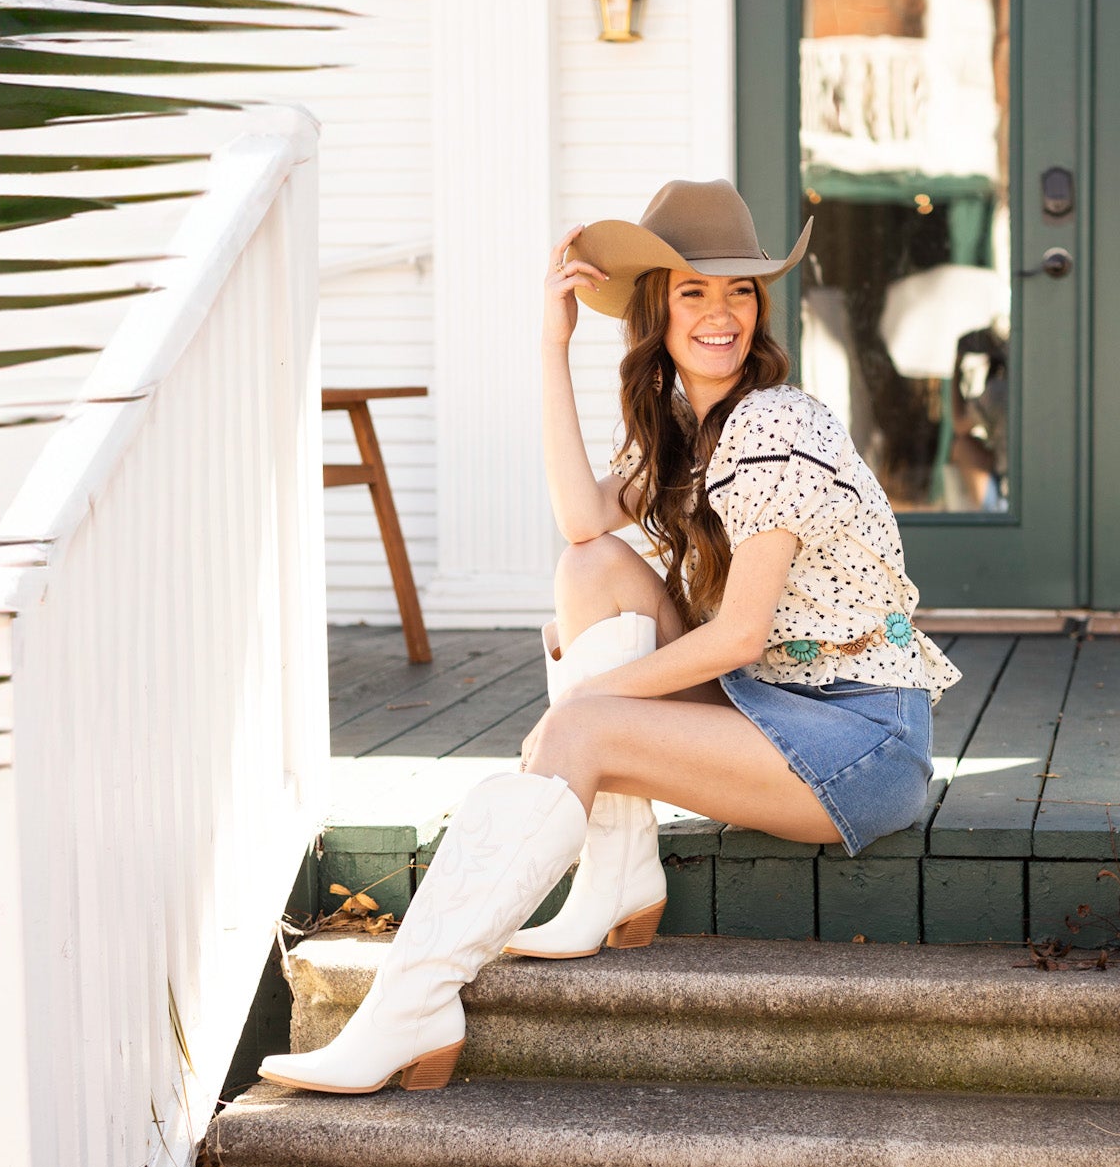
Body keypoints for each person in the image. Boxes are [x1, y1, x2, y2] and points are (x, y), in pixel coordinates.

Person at [259, 180, 960, 1098]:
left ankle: (410, 1005)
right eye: (693, 291)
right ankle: (618, 876)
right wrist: (551, 346)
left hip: (860, 743)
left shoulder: (773, 422)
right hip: (769, 708)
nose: (721, 314)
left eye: (739, 291)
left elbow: (737, 637)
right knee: (589, 568)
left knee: (582, 725)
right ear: (655, 311)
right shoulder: (687, 425)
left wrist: (581, 707)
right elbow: (581, 519)